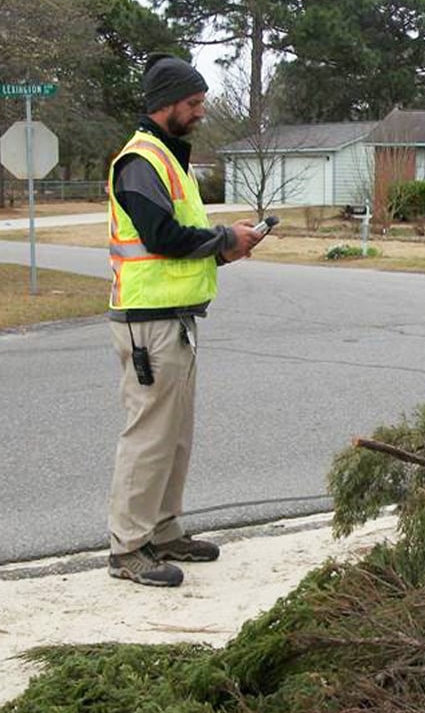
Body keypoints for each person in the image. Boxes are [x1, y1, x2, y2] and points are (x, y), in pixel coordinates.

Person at [105, 53, 262, 587]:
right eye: (194, 104)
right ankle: (128, 549)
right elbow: (162, 238)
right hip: (147, 322)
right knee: (149, 434)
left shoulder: (170, 159)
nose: (200, 113)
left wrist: (227, 247)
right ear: (167, 104)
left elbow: (181, 242)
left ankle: (164, 531)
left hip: (175, 319)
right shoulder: (140, 161)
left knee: (175, 435)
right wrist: (223, 240)